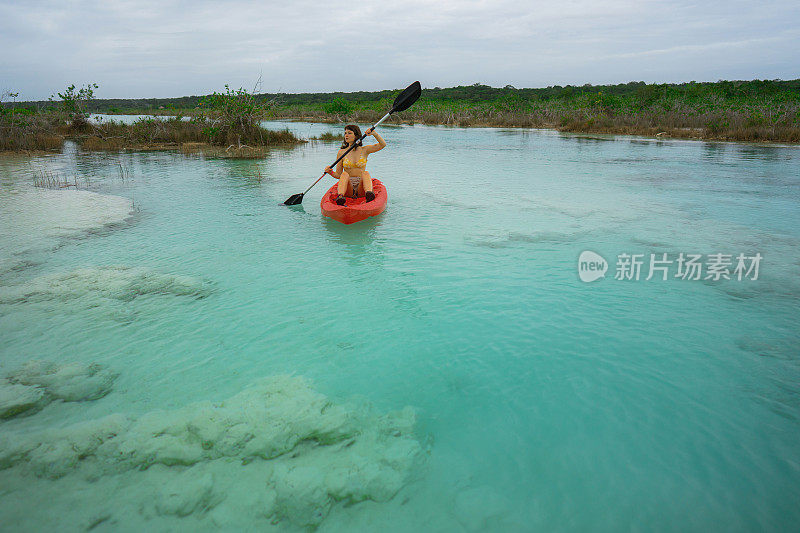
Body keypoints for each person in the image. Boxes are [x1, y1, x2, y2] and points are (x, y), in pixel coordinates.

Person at [324, 124, 386, 204]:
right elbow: (339, 175)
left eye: (349, 133)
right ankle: (340, 196)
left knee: (366, 173)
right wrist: (330, 172)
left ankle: (369, 194)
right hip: (348, 187)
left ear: (356, 135)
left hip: (361, 187)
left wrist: (374, 134)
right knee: (344, 174)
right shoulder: (342, 152)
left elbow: (382, 145)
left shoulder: (365, 150)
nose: (346, 135)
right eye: (345, 133)